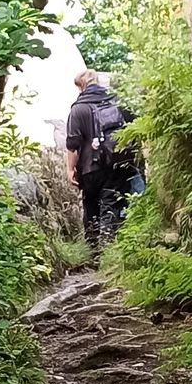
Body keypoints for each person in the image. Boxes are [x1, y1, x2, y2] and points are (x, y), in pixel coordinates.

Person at [65, 69, 136, 252]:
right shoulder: (117, 101)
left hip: (90, 168)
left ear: (81, 86)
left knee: (91, 206)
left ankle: (94, 252)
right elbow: (135, 127)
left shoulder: (78, 109)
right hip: (117, 164)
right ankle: (110, 250)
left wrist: (70, 169)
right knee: (112, 205)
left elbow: (72, 144)